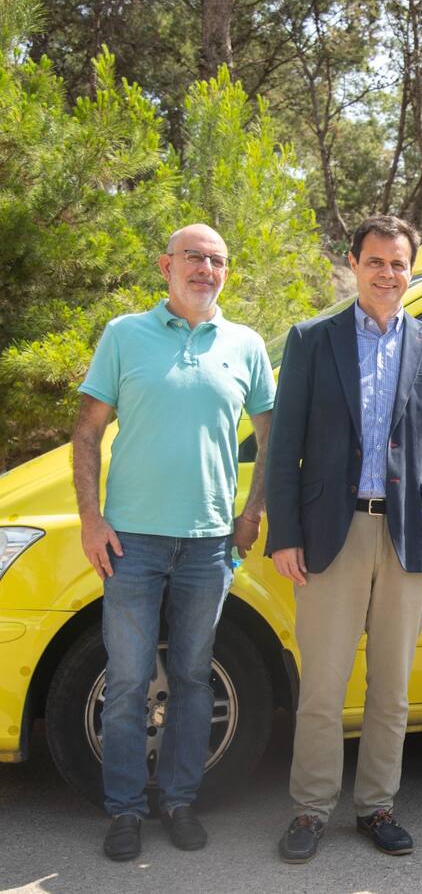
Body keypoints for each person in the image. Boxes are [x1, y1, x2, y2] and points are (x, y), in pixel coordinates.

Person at [266, 215, 422, 863]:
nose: (387, 274)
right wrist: (284, 534)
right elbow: (284, 446)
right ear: (353, 264)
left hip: (410, 536)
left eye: (398, 263)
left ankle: (377, 805)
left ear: (412, 271)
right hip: (331, 532)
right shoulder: (311, 340)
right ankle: (310, 808)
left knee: (391, 690)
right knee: (323, 686)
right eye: (375, 261)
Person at [72, 224, 274, 861]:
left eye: (217, 260)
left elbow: (272, 435)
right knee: (128, 681)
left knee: (191, 677)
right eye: (194, 257)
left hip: (210, 543)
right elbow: (86, 432)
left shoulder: (245, 344)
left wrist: (251, 513)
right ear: (166, 266)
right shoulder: (124, 334)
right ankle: (125, 810)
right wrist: (91, 520)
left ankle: (181, 802)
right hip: (130, 542)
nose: (206, 269)